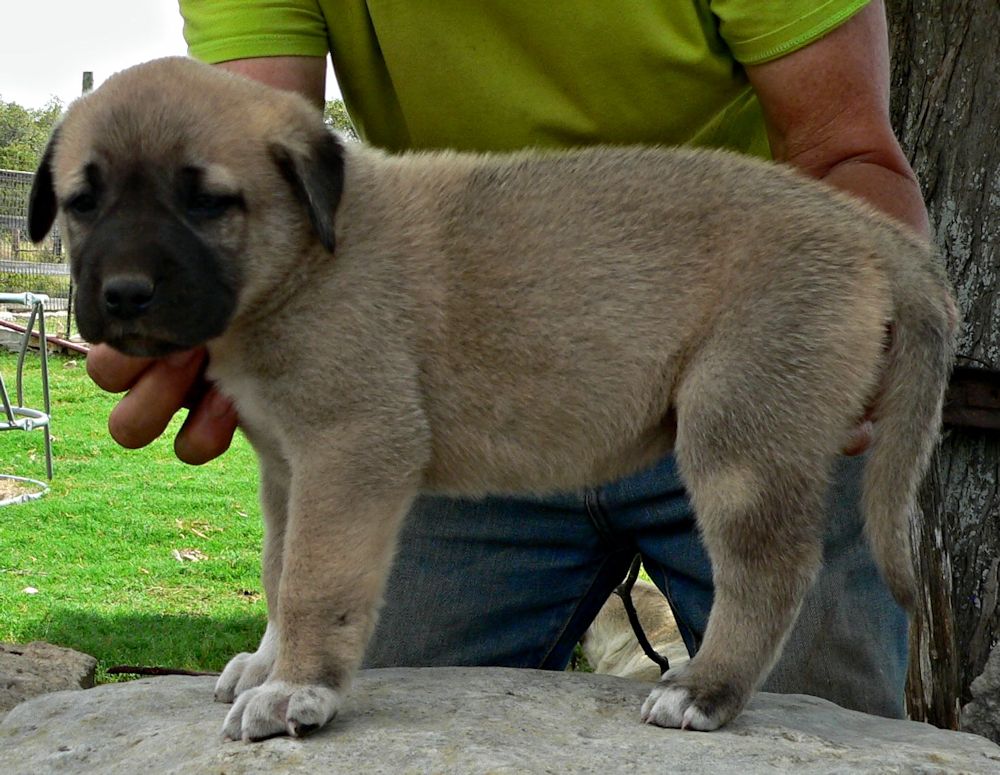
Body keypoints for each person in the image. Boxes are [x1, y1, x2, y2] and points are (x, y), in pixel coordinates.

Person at [89, 0, 928, 718]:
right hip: (462, 390)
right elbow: (260, 172)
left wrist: (830, 336)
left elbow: (841, 145)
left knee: (822, 729)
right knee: (375, 728)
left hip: (727, 331)